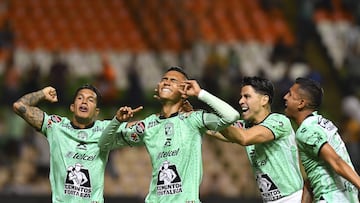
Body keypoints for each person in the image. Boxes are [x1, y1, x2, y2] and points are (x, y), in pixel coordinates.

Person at [98, 66, 240, 203]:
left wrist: (200, 93)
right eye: (164, 79)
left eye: (173, 80)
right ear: (158, 88)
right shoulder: (148, 125)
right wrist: (117, 121)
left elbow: (231, 116)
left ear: (184, 91)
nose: (167, 81)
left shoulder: (193, 119)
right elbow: (104, 143)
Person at [12, 84, 141, 203]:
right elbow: (19, 106)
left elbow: (143, 129)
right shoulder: (56, 127)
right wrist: (42, 94)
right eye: (80, 98)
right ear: (72, 107)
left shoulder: (106, 129)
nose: (84, 101)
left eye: (90, 100)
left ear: (97, 112)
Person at [207, 76, 304, 202]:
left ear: (264, 100)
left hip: (293, 199)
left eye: (247, 96)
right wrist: (194, 117)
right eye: (241, 97)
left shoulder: (279, 121)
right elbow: (219, 132)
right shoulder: (245, 126)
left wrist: (203, 99)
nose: (241, 101)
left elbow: (244, 138)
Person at [283, 77, 360, 202]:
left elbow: (336, 161)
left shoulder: (306, 130)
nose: (285, 97)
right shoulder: (321, 123)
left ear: (301, 103)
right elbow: (313, 178)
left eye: (290, 94)